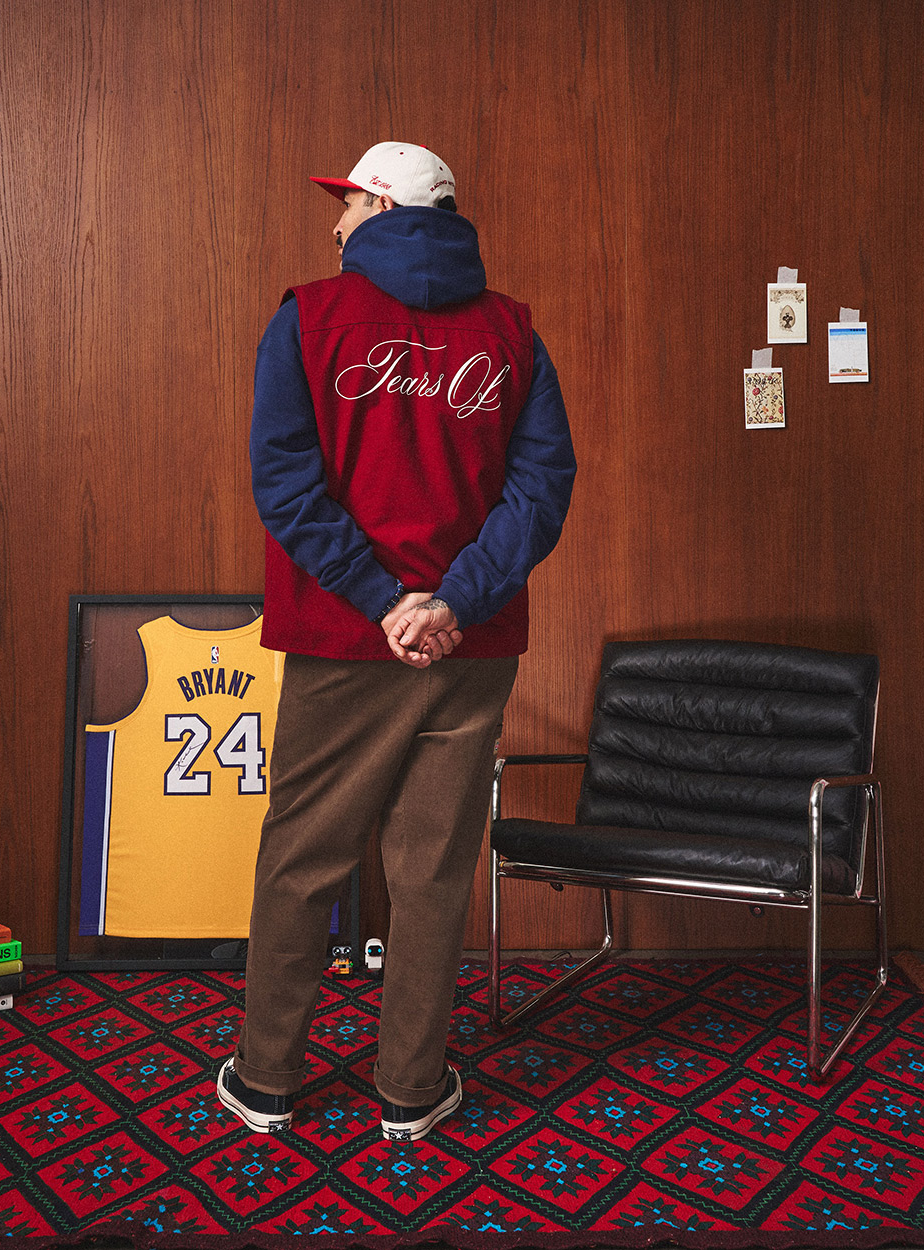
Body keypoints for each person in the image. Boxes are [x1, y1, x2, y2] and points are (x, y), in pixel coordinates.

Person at [216, 142, 576, 1142]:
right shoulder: (513, 332)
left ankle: (267, 1080)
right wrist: (451, 603)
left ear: (380, 206)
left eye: (345, 204)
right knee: (432, 868)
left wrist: (383, 602)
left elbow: (285, 484)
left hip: (343, 638)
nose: (335, 224)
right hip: (470, 645)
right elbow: (540, 492)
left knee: (302, 856)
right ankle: (411, 1088)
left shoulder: (308, 315)